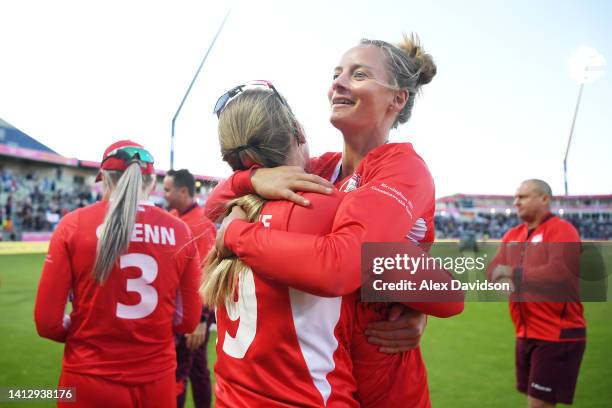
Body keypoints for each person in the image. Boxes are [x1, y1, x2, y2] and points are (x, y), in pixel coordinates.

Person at [210, 34, 463, 407]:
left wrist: (236, 234)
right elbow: (212, 210)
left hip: (384, 372)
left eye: (358, 75)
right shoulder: (320, 169)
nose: (338, 83)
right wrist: (248, 179)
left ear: (397, 99)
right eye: (337, 73)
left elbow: (347, 266)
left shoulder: (403, 168)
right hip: (328, 365)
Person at [34, 140, 202, 408]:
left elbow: (47, 323)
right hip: (156, 382)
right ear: (152, 184)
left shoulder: (73, 225)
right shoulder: (180, 231)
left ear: (105, 180)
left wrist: (84, 327)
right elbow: (187, 321)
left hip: (88, 379)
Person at [489, 179, 586, 408]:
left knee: (538, 404)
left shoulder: (562, 230)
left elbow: (560, 272)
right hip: (524, 333)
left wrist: (512, 273)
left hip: (556, 334)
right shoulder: (513, 234)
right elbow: (493, 269)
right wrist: (503, 278)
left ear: (544, 199)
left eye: (522, 197)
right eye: (515, 197)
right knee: (534, 401)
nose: (516, 202)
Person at [163, 168, 216, 408]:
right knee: (195, 369)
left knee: (183, 371)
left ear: (183, 191)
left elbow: (206, 275)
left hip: (194, 314)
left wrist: (202, 319)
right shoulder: (173, 216)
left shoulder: (201, 225)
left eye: (167, 189)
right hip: (179, 310)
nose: (163, 194)